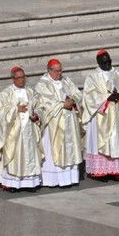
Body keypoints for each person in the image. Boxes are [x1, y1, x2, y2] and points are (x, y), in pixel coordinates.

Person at [81, 49, 119, 179]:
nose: (107, 64)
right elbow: (88, 96)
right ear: (98, 63)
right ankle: (99, 171)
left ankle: (115, 170)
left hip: (116, 113)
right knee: (102, 141)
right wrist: (107, 97)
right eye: (104, 62)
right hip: (100, 116)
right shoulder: (92, 77)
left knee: (115, 139)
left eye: (109, 61)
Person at [34, 59, 82, 187]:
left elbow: (77, 93)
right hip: (54, 123)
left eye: (60, 70)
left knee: (70, 147)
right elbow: (45, 102)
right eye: (56, 71)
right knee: (55, 149)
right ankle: (53, 180)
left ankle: (70, 178)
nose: (59, 74)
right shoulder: (42, 84)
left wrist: (72, 100)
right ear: (49, 70)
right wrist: (62, 104)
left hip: (69, 120)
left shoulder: (65, 80)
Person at [0, 67, 43, 190]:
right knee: (15, 156)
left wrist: (36, 114)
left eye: (23, 77)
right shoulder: (5, 93)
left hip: (29, 129)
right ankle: (13, 183)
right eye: (19, 78)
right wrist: (16, 109)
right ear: (13, 79)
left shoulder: (31, 92)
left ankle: (30, 183)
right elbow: (0, 113)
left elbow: (40, 106)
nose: (22, 80)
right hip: (14, 132)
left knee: (30, 155)